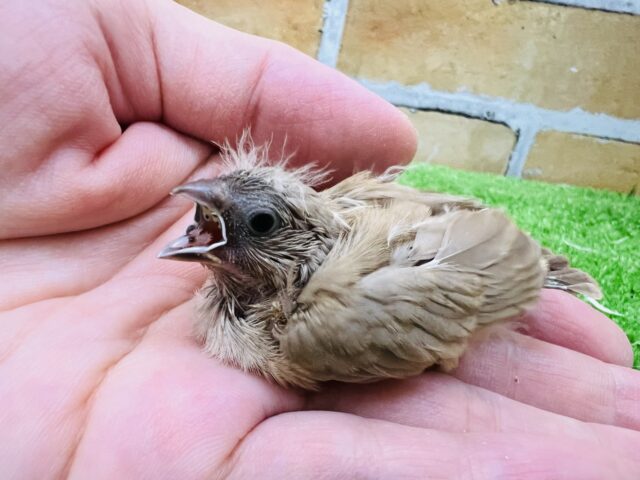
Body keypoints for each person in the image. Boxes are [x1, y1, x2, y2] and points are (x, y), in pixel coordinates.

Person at [1, 1, 638, 478]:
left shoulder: (313, 330)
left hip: (480, 260)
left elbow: (468, 267)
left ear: (292, 244)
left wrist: (542, 268)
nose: (202, 213)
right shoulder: (276, 286)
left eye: (261, 226)